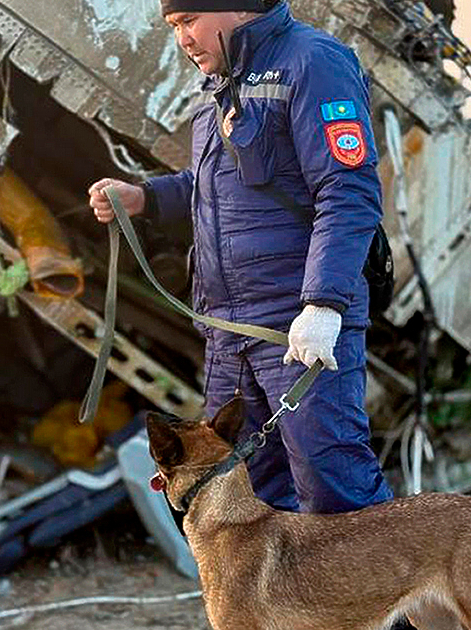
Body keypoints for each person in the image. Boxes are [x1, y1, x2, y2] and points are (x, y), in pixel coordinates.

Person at [88, 0, 392, 514]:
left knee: (334, 491)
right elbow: (216, 187)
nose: (183, 39)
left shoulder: (313, 62)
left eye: (189, 21)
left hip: (293, 327)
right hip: (228, 335)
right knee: (244, 501)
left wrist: (322, 305)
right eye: (174, 26)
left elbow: (348, 189)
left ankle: (388, 572)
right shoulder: (220, 81)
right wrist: (144, 198)